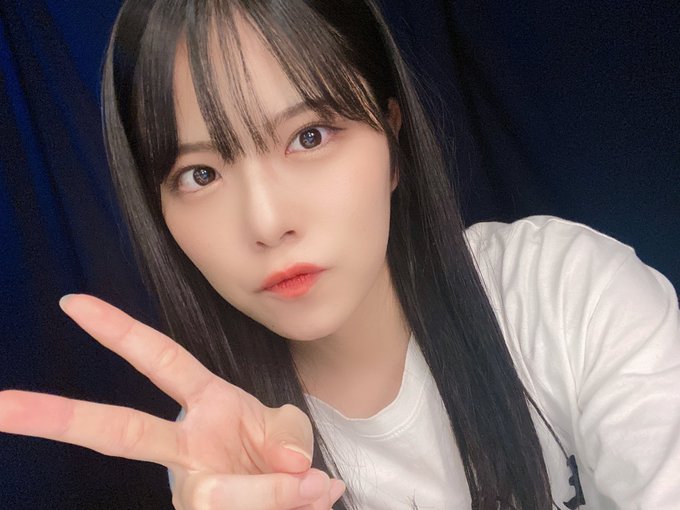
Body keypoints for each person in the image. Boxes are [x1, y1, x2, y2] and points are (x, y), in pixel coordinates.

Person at [1, 0, 678, 508]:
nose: (268, 223)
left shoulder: (566, 292)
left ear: (393, 139)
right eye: (200, 174)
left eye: (310, 136)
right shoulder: (224, 462)